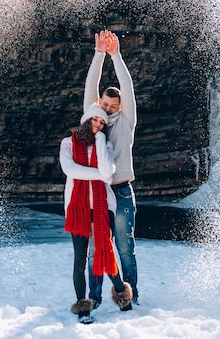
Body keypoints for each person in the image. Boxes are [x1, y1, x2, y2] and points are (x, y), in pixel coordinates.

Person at [59, 103, 133, 324]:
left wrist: (100, 141)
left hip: (103, 206)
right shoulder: (68, 143)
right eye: (95, 120)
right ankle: (83, 306)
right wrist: (98, 174)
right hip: (78, 207)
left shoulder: (105, 143)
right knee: (80, 258)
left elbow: (107, 174)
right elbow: (69, 169)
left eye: (102, 122)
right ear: (87, 119)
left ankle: (122, 296)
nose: (99, 125)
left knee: (105, 250)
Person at [85, 30, 139, 311]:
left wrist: (115, 55)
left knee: (125, 248)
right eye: (103, 104)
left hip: (122, 190)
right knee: (97, 248)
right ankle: (94, 297)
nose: (105, 108)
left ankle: (133, 295)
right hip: (99, 192)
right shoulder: (95, 121)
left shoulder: (126, 120)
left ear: (119, 108)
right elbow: (90, 87)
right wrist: (98, 54)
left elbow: (127, 88)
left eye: (111, 106)